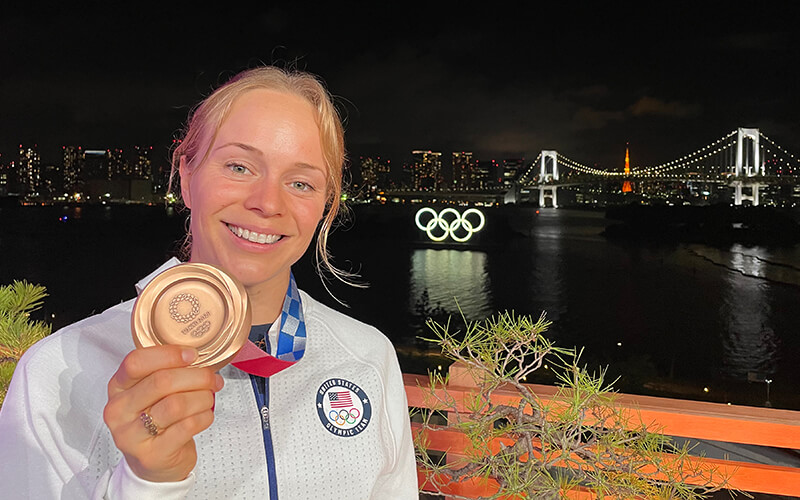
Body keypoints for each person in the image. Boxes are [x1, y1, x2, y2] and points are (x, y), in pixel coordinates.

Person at [0, 67, 419, 499]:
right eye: (239, 166)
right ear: (186, 175)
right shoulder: (60, 373)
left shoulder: (367, 360)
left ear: (324, 205)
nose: (267, 203)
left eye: (300, 182)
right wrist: (150, 482)